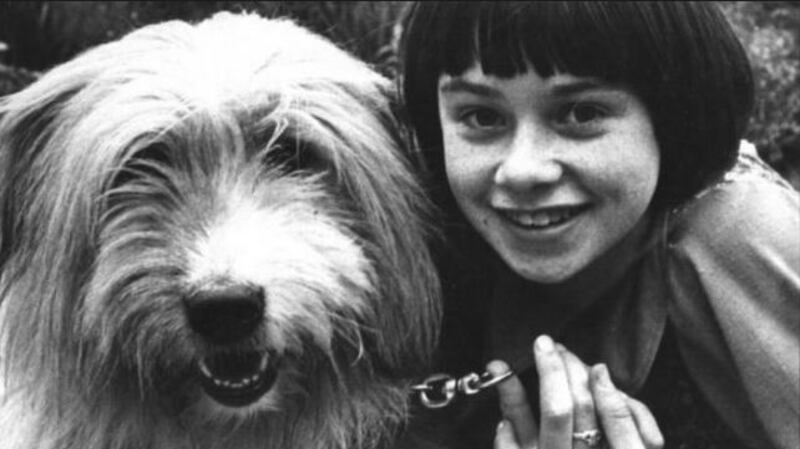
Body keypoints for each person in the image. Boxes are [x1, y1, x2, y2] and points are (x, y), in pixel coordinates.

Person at [396, 2, 800, 449]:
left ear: (671, 114)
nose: (522, 170)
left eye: (582, 113)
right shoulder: (439, 245)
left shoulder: (737, 233)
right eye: (482, 117)